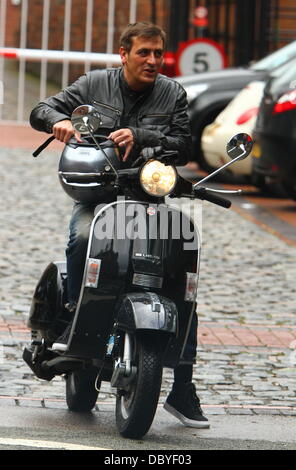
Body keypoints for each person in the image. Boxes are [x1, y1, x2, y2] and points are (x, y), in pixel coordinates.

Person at [30, 22, 209, 429]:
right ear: (123, 53)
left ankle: (183, 385)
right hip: (100, 193)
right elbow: (41, 108)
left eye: (158, 53)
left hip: (149, 194)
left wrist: (143, 134)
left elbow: (184, 143)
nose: (152, 60)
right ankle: (78, 314)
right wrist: (60, 121)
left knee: (182, 274)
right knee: (80, 237)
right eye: (144, 52)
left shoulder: (172, 92)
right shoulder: (94, 84)